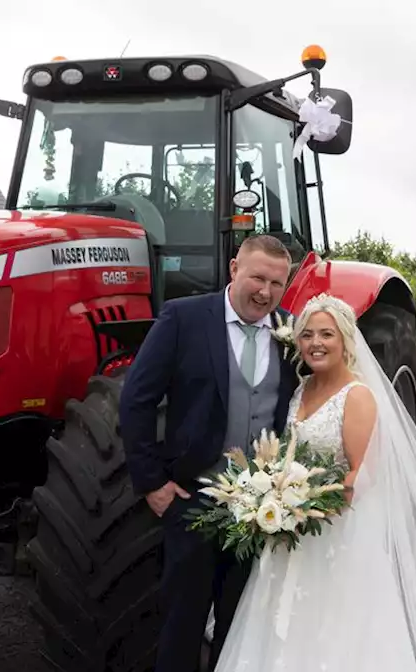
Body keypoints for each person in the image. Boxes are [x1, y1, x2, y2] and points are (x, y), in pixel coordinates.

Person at [212, 293, 416, 672]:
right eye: (307, 334)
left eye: (326, 334)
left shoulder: (358, 396)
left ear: (345, 339)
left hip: (337, 535)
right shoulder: (301, 390)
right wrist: (276, 499)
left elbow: (363, 472)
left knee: (339, 631)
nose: (316, 343)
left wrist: (302, 508)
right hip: (291, 534)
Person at [119, 234, 301, 672]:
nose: (265, 292)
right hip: (191, 501)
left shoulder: (291, 330)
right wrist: (153, 484)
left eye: (277, 284)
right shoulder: (184, 317)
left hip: (261, 513)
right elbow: (136, 400)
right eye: (258, 277)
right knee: (182, 626)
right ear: (234, 268)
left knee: (241, 629)